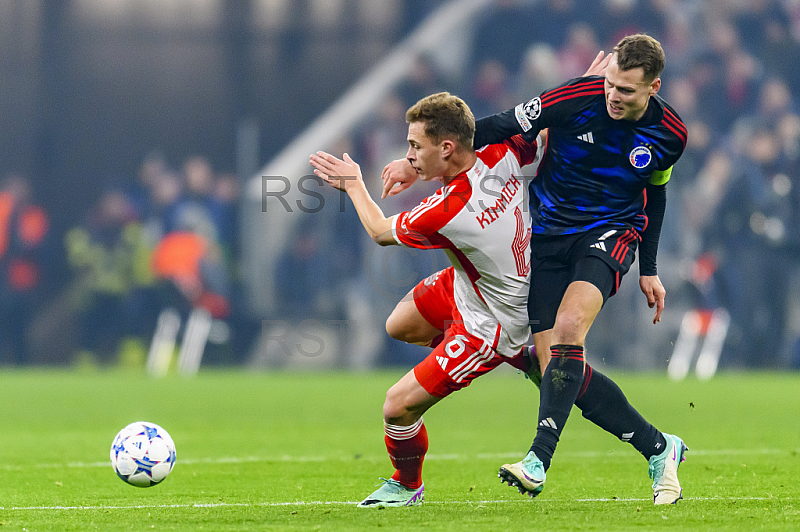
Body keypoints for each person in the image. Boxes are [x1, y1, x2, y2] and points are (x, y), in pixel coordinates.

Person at [381, 35, 688, 505]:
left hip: (610, 230)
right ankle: (659, 447)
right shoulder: (572, 98)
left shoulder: (670, 134)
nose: (613, 96)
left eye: (626, 90)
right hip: (547, 233)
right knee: (556, 369)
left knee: (568, 331)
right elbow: (497, 126)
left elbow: (657, 192)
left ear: (653, 87)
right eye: (609, 84)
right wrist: (414, 162)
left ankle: (537, 460)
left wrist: (649, 266)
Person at [310, 92, 542, 507]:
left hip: (490, 323)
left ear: (447, 147)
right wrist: (587, 89)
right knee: (398, 325)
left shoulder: (449, 208)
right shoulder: (498, 150)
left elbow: (381, 231)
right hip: (470, 285)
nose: (409, 153)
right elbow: (543, 128)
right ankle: (514, 358)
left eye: (415, 146)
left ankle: (406, 484)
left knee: (396, 407)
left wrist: (353, 184)